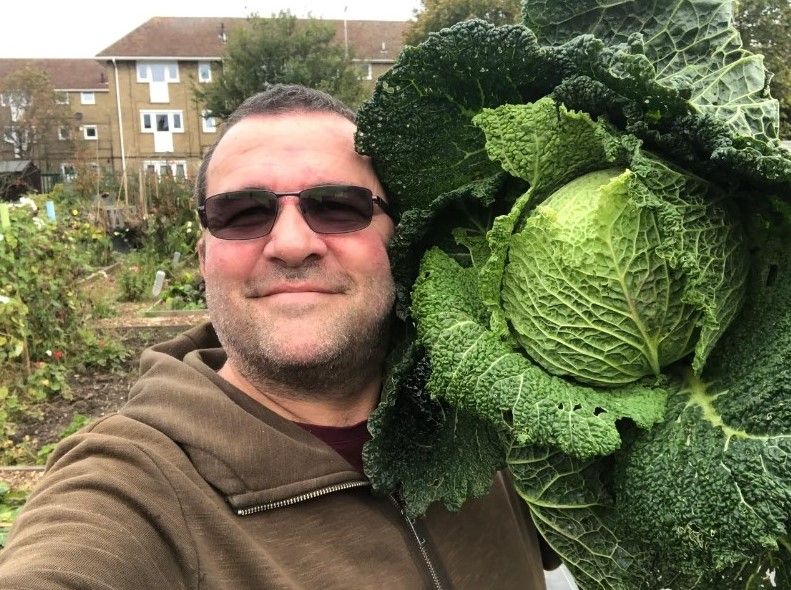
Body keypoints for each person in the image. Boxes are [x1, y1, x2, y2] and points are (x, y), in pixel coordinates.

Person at [0, 84, 546, 589]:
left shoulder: (493, 417)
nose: (290, 243)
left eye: (336, 206)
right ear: (203, 261)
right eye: (241, 213)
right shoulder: (137, 488)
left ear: (401, 241)